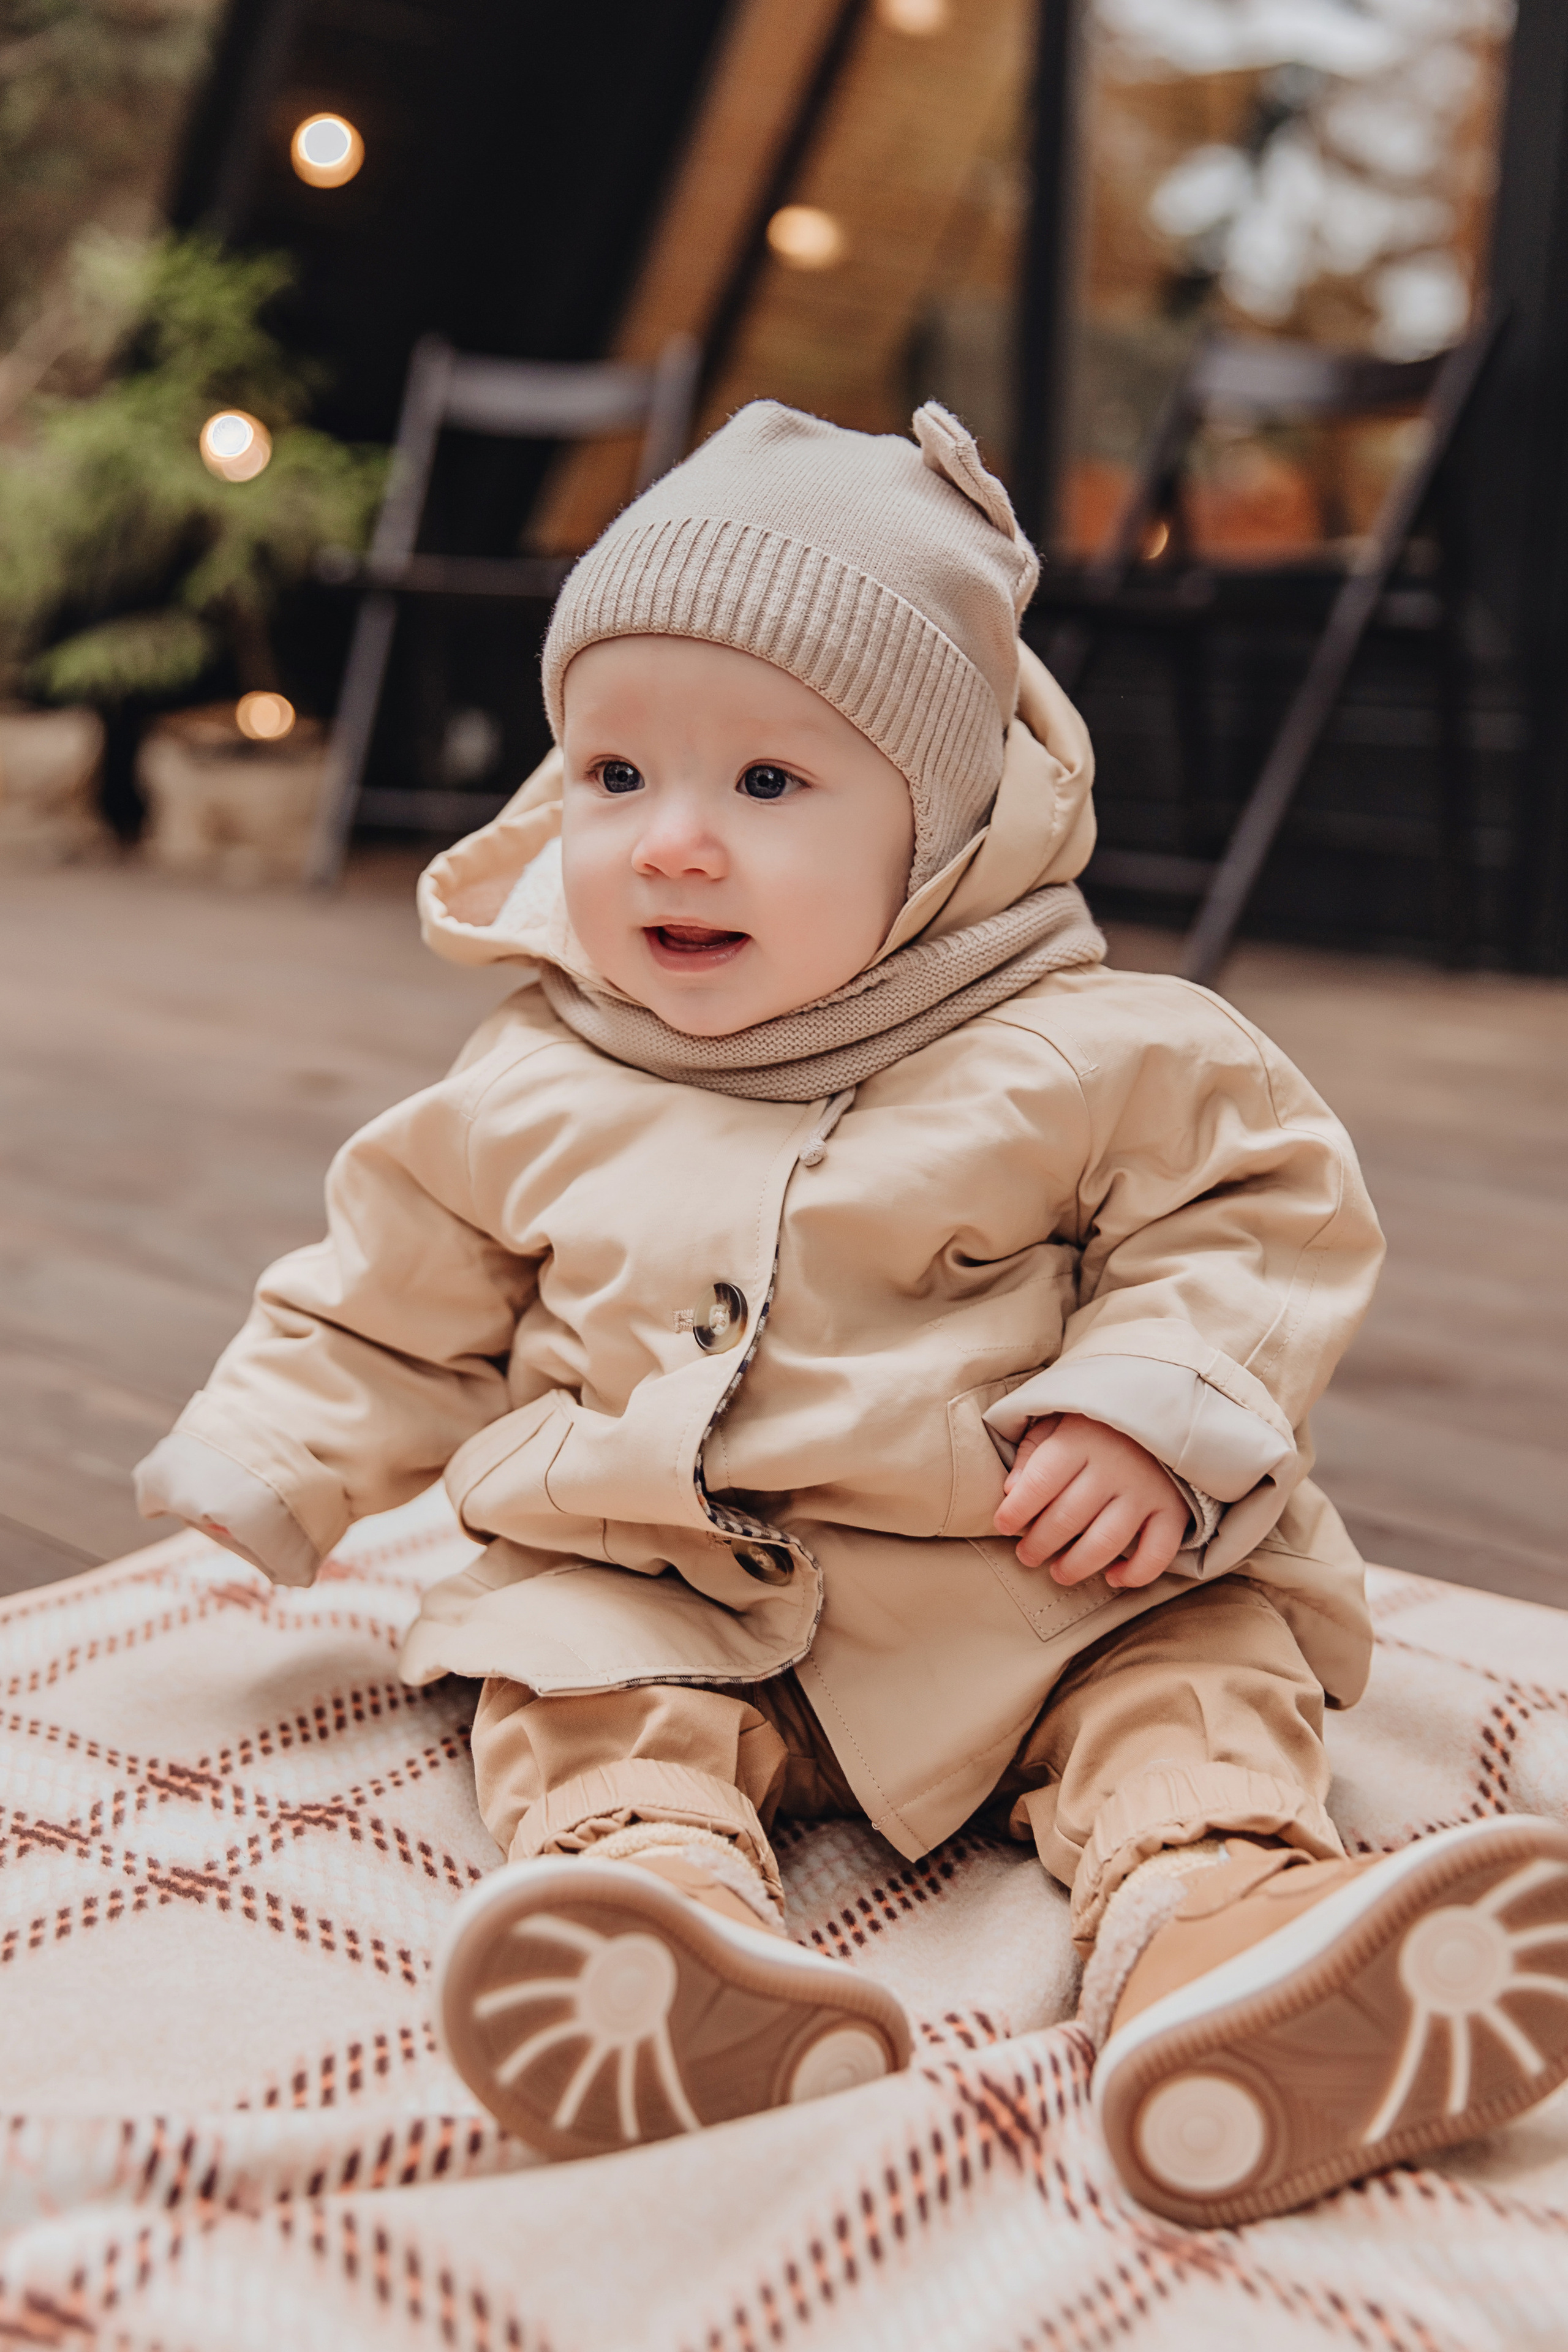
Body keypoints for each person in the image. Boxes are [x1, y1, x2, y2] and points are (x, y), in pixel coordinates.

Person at [135, 401, 1568, 2225]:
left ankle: (1225, 1945)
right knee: (569, 1681)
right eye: (613, 776)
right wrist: (273, 1452)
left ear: (949, 822)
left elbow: (1252, 1222)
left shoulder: (1099, 1048)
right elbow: (384, 1300)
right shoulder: (527, 1082)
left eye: (766, 786)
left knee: (1193, 1675)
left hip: (1029, 1573)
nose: (670, 845)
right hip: (665, 1570)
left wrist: (1148, 1409)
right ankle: (664, 1943)